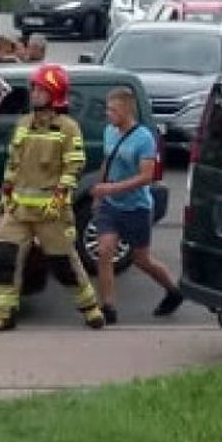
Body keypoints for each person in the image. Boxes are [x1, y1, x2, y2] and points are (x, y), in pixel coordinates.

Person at [0, 63, 105, 333]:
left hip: (51, 213)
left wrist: (60, 198)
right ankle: (3, 315)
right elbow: (13, 163)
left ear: (55, 93)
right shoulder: (23, 124)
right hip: (18, 211)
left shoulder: (68, 128)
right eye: (34, 88)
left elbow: (74, 166)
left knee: (64, 265)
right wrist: (6, 194)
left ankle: (90, 309)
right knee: (4, 260)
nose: (34, 93)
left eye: (40, 89)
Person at [91, 86, 183, 324]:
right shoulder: (109, 132)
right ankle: (108, 307)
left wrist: (111, 189)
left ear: (126, 110)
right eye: (108, 109)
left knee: (142, 259)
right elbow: (107, 161)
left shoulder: (144, 138)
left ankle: (173, 291)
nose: (108, 114)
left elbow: (146, 177)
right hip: (111, 206)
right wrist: (100, 191)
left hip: (137, 207)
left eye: (113, 110)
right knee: (104, 252)